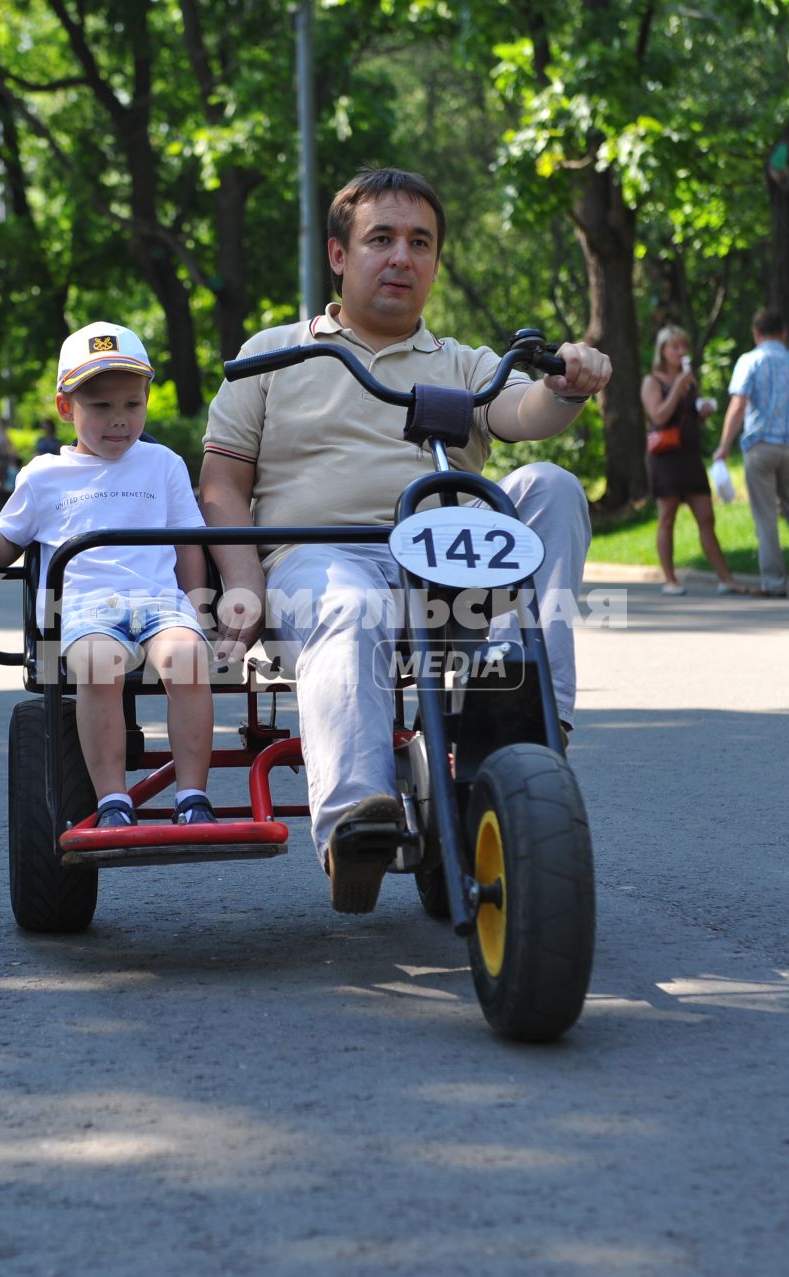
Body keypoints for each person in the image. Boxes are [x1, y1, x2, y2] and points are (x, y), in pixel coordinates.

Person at [201, 167, 607, 913]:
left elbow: (524, 411)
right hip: (319, 563)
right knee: (351, 600)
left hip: (449, 566)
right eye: (380, 239)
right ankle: (359, 819)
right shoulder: (275, 354)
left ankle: (534, 718)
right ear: (337, 254)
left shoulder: (461, 364)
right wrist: (242, 583)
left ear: (436, 263)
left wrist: (567, 387)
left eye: (420, 243)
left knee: (549, 482)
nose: (401, 258)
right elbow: (222, 485)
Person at [0, 322, 217, 830]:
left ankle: (191, 795)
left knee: (187, 657)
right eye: (101, 407)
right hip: (85, 608)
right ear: (65, 408)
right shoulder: (43, 476)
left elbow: (188, 543)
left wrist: (199, 607)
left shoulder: (162, 464)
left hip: (159, 603)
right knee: (100, 664)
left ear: (146, 401)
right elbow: (9, 546)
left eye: (132, 405)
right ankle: (113, 800)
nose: (120, 420)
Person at [713, 308, 789, 598]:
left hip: (760, 446)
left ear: (756, 333)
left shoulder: (749, 361)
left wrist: (724, 446)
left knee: (765, 517)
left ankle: (775, 583)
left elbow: (738, 405)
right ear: (784, 332)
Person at [640, 325, 744, 595]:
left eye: (683, 346)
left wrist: (703, 411)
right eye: (675, 347)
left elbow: (689, 414)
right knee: (667, 518)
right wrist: (677, 386)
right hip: (665, 459)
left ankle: (726, 579)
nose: (681, 352)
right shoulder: (652, 381)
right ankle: (670, 580)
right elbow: (659, 416)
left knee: (706, 516)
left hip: (689, 456)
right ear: (662, 351)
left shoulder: (689, 380)